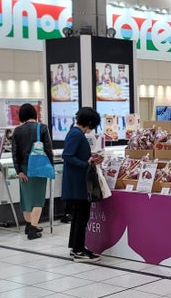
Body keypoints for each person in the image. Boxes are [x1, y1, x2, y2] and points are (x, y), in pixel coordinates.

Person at [62, 107, 103, 262]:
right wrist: (86, 163)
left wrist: (90, 158)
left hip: (77, 182)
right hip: (78, 183)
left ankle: (76, 247)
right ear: (90, 122)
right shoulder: (76, 134)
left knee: (79, 217)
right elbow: (67, 155)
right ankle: (78, 250)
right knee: (81, 217)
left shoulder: (75, 133)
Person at [11, 103, 54, 240]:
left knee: (26, 199)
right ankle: (33, 231)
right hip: (39, 167)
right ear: (34, 114)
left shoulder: (17, 131)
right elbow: (48, 150)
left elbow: (14, 153)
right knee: (37, 200)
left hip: (24, 169)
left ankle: (29, 225)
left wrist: (18, 171)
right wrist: (50, 167)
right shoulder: (42, 128)